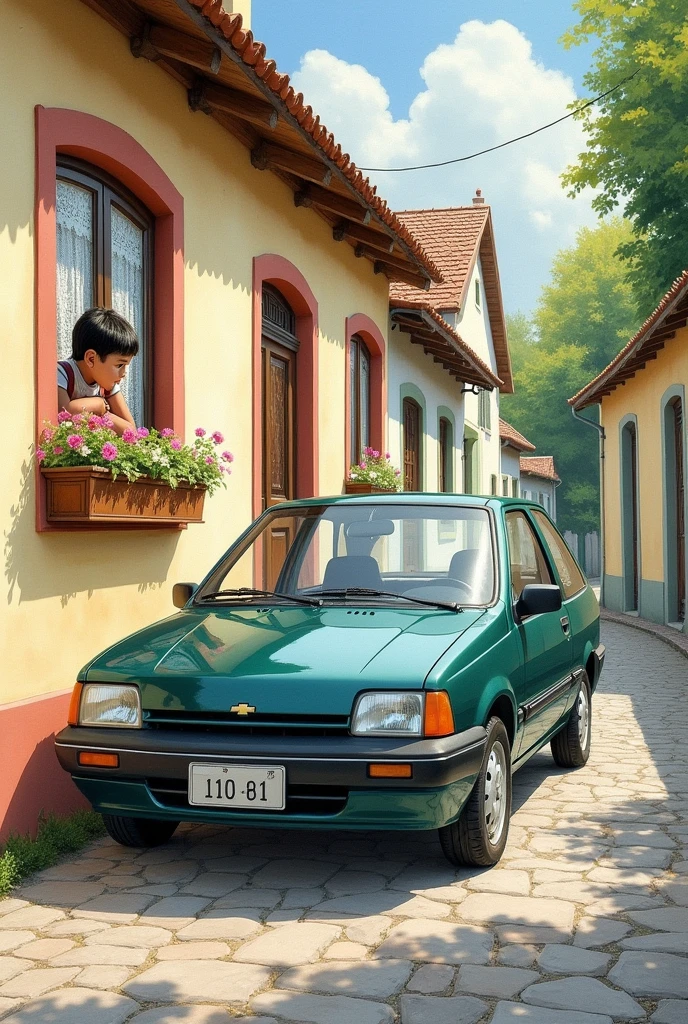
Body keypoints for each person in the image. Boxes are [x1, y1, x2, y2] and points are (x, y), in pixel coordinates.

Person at [57, 307, 138, 436]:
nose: (123, 374)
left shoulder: (107, 384)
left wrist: (103, 414)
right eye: (119, 365)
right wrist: (99, 404)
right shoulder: (62, 373)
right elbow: (64, 415)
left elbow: (130, 432)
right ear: (91, 359)